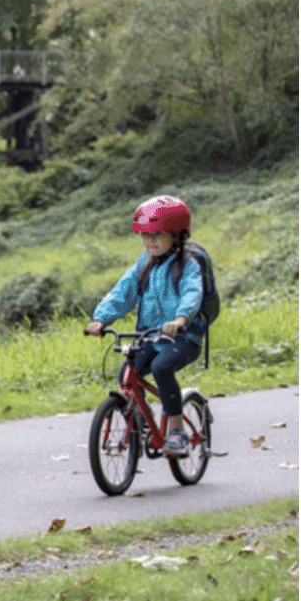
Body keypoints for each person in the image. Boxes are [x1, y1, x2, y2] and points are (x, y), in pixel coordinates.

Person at [85, 195, 205, 457]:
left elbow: (192, 293)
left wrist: (181, 319)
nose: (149, 241)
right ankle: (141, 422)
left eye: (157, 235)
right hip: (151, 335)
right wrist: (100, 319)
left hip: (184, 337)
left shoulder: (188, 265)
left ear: (176, 234)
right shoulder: (145, 263)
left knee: (162, 368)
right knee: (126, 376)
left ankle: (176, 432)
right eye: (144, 235)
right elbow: (123, 291)